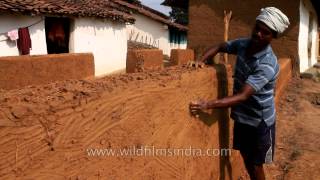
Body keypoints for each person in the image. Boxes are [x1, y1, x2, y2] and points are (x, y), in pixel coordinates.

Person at [189, 7, 290, 180]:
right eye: (257, 28)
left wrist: (208, 104)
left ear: (274, 36)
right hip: (243, 116)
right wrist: (201, 60)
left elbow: (243, 95)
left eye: (265, 32)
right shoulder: (244, 45)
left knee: (256, 165)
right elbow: (221, 46)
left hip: (260, 121)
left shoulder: (267, 64)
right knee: (245, 155)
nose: (258, 33)